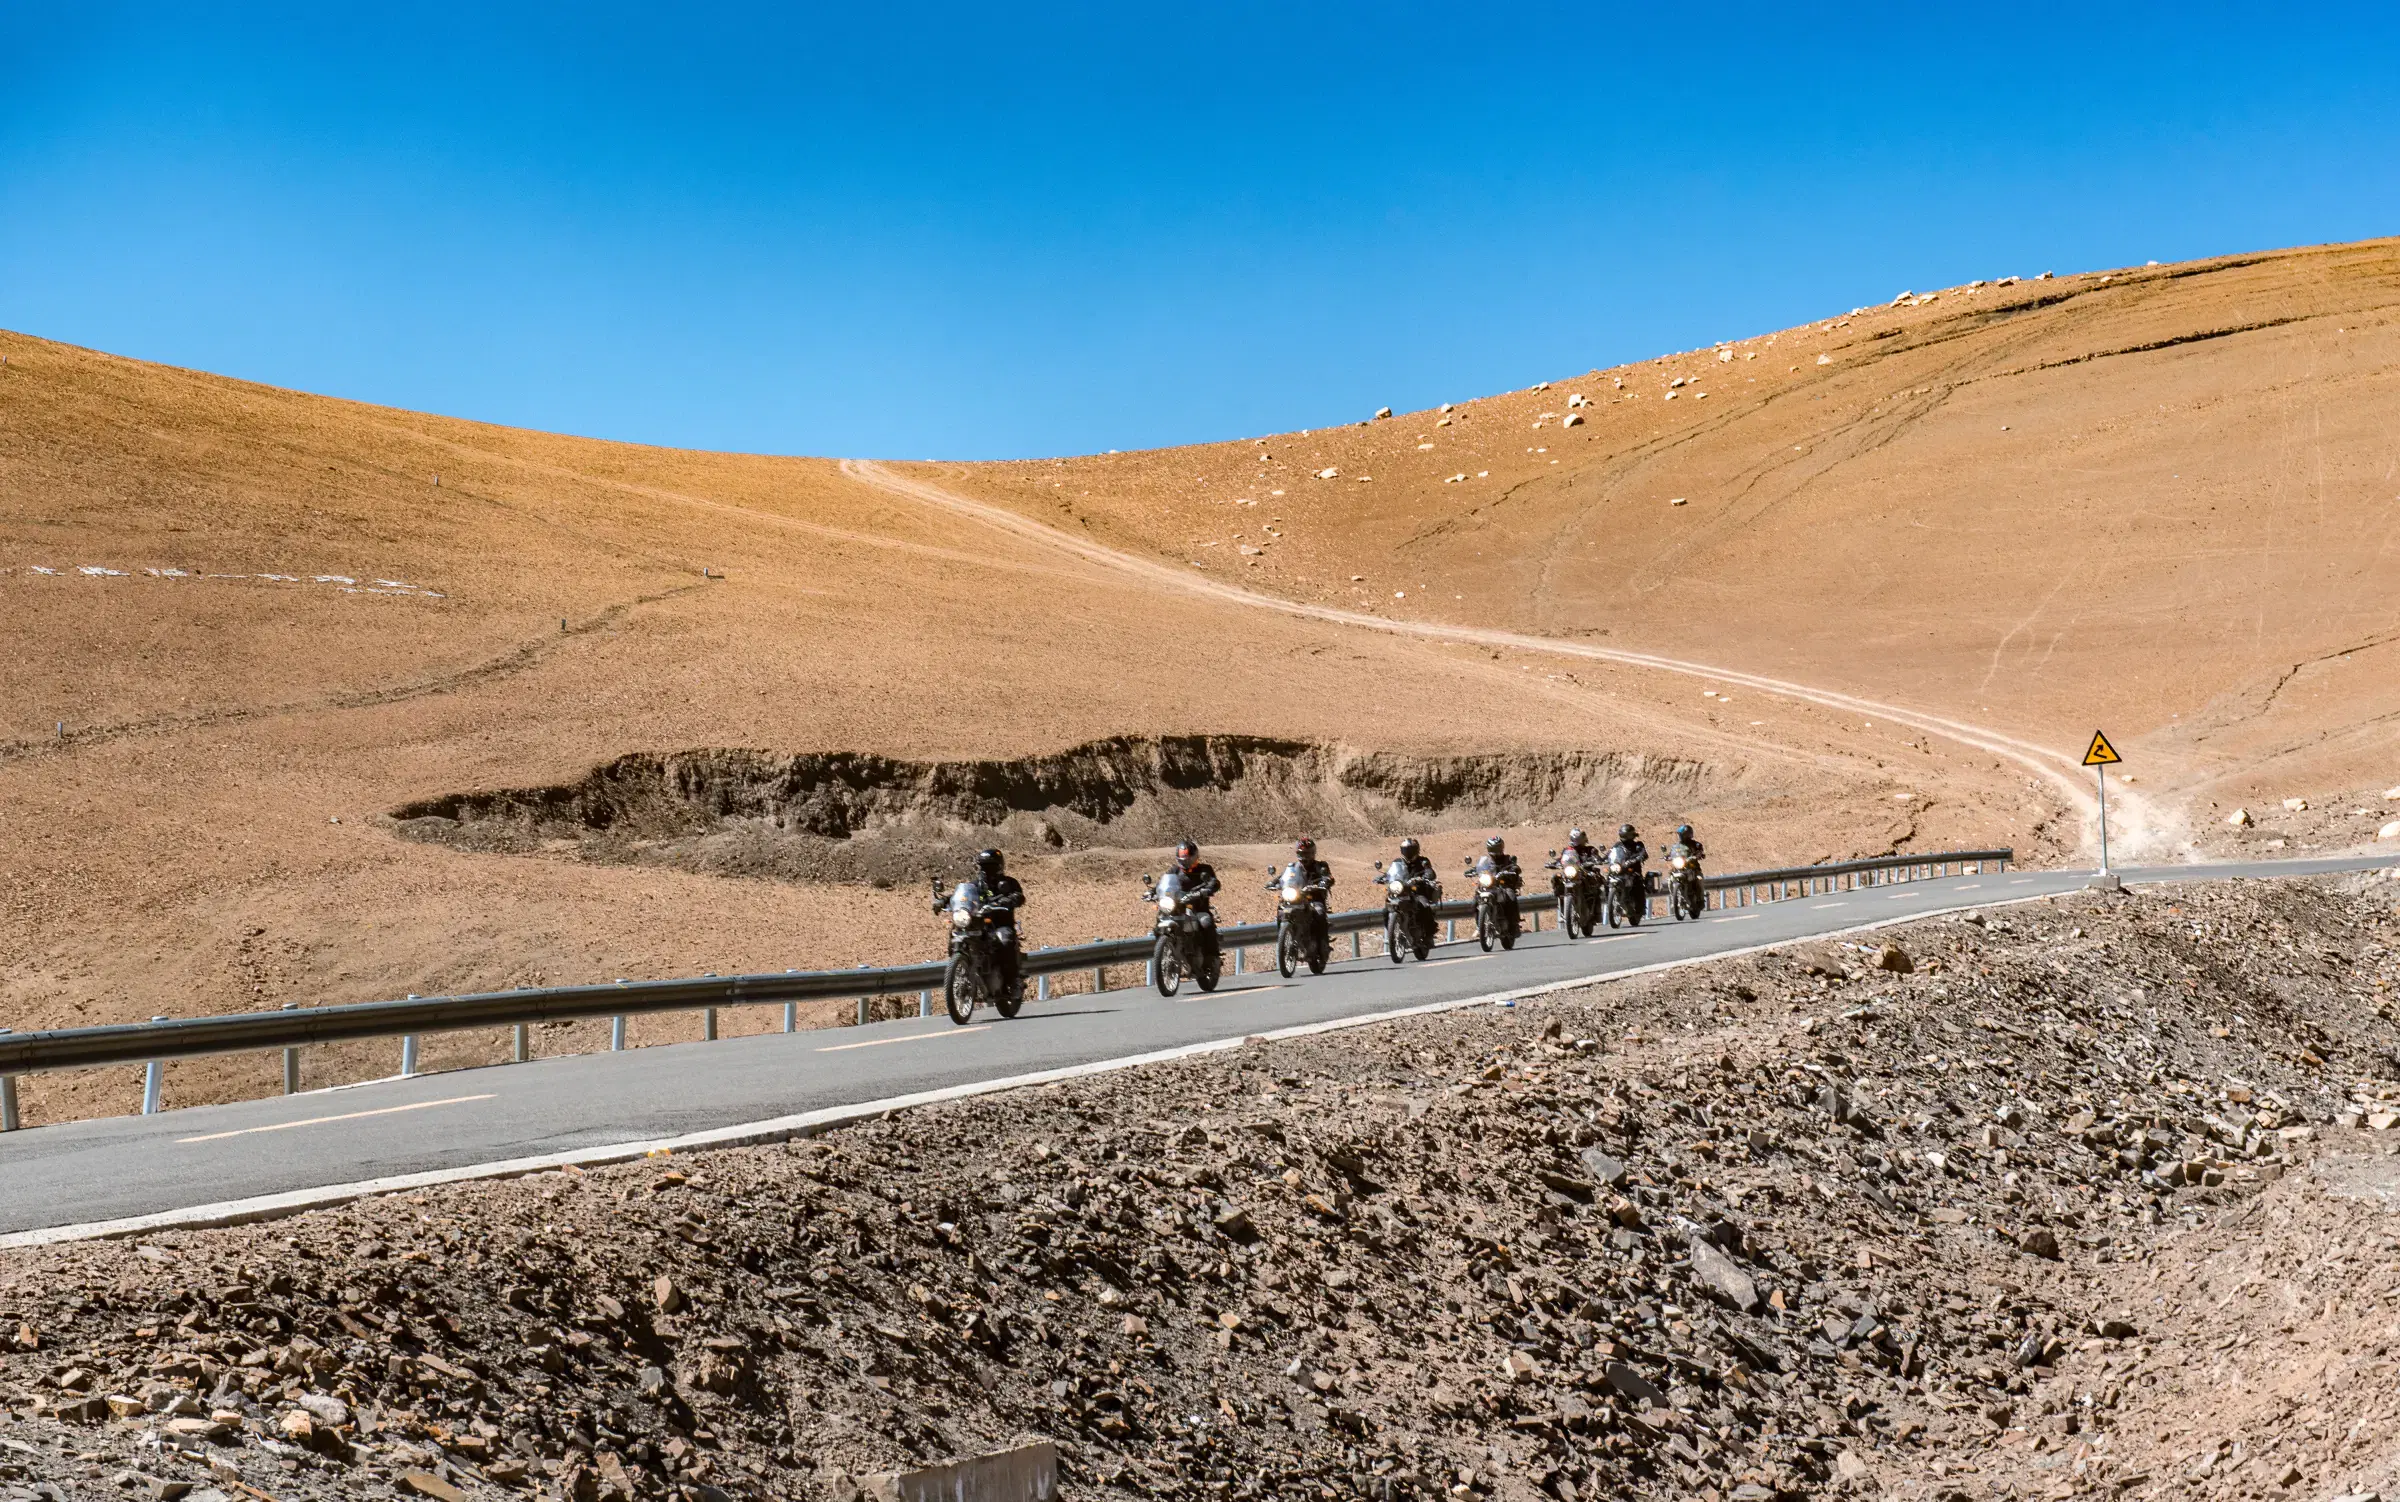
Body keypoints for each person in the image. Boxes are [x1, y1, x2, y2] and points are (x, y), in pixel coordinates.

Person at [942, 847, 1026, 991]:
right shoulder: (975, 885)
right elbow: (964, 896)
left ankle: (1012, 981)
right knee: (955, 932)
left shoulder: (1009, 883)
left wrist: (1008, 900)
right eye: (984, 866)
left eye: (991, 866)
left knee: (1004, 940)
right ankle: (959, 967)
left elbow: (1019, 896)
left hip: (1000, 924)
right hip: (978, 923)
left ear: (999, 866)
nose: (987, 870)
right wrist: (945, 901)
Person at [1169, 837, 1222, 957]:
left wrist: (1206, 890)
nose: (1185, 862)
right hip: (1178, 909)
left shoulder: (1205, 869)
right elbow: (1164, 882)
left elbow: (1214, 882)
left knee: (1206, 923)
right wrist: (1154, 891)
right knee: (1161, 920)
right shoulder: (1174, 870)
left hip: (1199, 909)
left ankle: (1211, 957)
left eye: (1188, 859)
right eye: (1182, 860)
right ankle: (1163, 949)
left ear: (1195, 857)